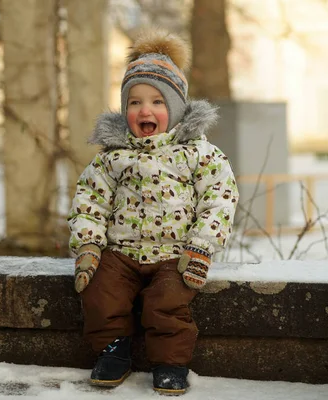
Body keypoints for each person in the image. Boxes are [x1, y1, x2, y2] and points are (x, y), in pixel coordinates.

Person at [67, 28, 239, 396]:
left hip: (174, 254)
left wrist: (201, 246)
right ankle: (113, 349)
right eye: (134, 102)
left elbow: (220, 197)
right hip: (120, 253)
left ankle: (170, 362)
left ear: (175, 109)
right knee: (99, 292)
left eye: (157, 102)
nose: (145, 110)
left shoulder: (197, 153)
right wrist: (89, 246)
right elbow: (90, 201)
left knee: (168, 302)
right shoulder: (112, 156)